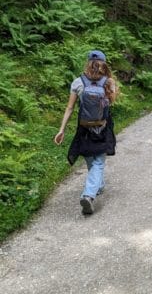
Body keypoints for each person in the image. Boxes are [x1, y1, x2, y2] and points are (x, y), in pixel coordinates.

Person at [54, 50, 119, 215]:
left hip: (84, 128)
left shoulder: (78, 82)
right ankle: (89, 195)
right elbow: (111, 103)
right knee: (98, 163)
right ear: (104, 64)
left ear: (87, 63)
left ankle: (98, 186)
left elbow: (70, 108)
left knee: (91, 159)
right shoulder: (109, 82)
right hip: (102, 127)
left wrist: (61, 130)